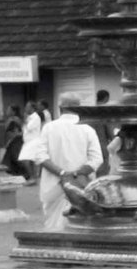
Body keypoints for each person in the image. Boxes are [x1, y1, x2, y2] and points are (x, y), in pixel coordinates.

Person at [38, 94, 103, 231]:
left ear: (60, 108)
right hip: (81, 186)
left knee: (53, 228)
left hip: (54, 185)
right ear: (79, 108)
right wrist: (77, 174)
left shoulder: (49, 128)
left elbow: (40, 157)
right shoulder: (87, 129)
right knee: (79, 227)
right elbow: (97, 159)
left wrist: (63, 174)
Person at [18, 99, 48, 184]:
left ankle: (32, 177)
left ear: (32, 108)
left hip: (33, 141)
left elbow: (29, 127)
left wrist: (25, 120)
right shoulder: (30, 117)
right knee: (32, 160)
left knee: (24, 159)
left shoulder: (35, 117)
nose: (25, 109)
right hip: (28, 142)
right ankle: (34, 178)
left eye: (27, 107)